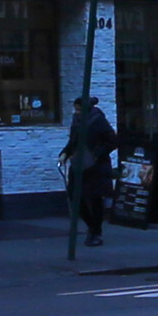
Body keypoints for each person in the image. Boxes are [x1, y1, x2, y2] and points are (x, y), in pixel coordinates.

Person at [59, 95, 118, 245]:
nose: (77, 112)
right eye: (76, 109)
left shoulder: (98, 121)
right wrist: (65, 153)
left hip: (95, 166)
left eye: (79, 110)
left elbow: (113, 141)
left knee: (95, 198)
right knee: (75, 197)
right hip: (79, 163)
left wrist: (96, 154)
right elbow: (73, 141)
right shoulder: (76, 121)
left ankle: (96, 232)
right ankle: (92, 227)